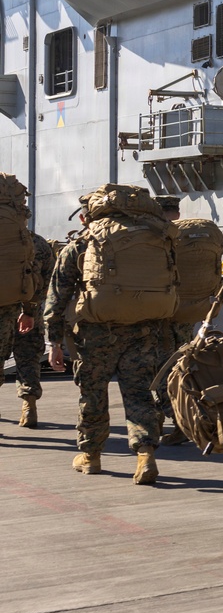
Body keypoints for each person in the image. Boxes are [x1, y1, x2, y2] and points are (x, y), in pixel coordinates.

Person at [44, 192, 167, 485]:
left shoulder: (81, 244)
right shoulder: (156, 240)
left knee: (93, 394)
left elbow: (57, 297)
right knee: (139, 394)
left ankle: (91, 456)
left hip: (95, 335)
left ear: (85, 217)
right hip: (142, 332)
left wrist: (54, 342)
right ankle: (145, 454)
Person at [150, 195, 190, 445]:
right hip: (186, 316)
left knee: (159, 373)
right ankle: (184, 422)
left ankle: (175, 423)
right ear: (177, 213)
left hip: (161, 317)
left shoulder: (154, 237)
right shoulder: (189, 236)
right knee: (183, 370)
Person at [12, 231, 56, 428]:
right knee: (28, 357)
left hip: (3, 310)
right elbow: (49, 280)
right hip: (30, 311)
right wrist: (31, 309)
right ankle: (29, 405)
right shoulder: (38, 242)